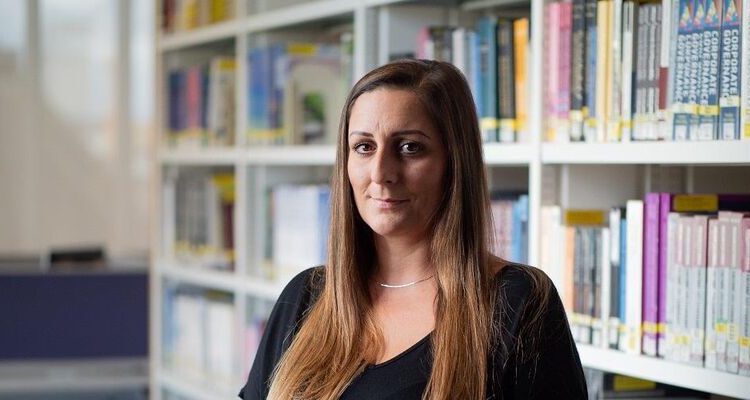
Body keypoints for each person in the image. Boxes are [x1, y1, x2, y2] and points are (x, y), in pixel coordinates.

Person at [240, 59, 587, 399]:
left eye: (409, 147)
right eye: (364, 147)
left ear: (454, 162)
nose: (380, 173)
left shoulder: (517, 303)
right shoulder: (305, 297)